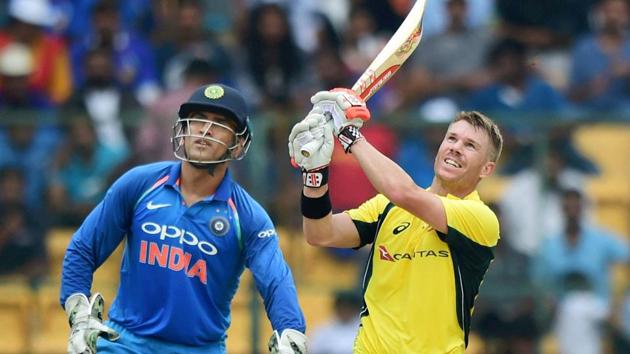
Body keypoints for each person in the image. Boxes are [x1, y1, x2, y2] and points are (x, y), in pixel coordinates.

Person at [60, 83, 307, 354]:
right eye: (198, 120)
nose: (205, 130)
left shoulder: (248, 217)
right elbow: (84, 248)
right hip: (124, 343)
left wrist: (290, 332)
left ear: (238, 144)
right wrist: (78, 312)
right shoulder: (139, 184)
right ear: (184, 129)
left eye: (220, 124)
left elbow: (276, 282)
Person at [288, 89, 503, 353]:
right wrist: (315, 174)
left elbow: (404, 192)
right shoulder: (386, 208)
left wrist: (350, 135)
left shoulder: (481, 219)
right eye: (452, 138)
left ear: (487, 169)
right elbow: (320, 233)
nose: (456, 148)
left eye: (470, 146)